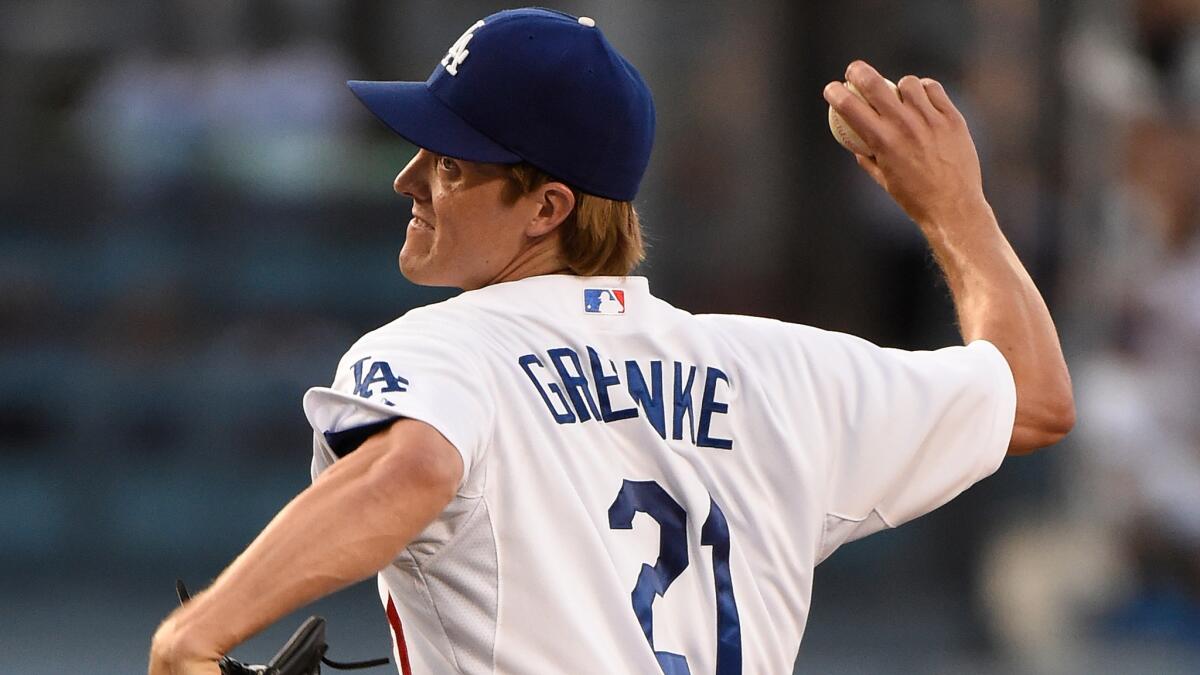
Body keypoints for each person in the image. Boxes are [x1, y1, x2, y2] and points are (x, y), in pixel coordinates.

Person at [149, 7, 1074, 674]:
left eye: (451, 162)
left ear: (547, 207)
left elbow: (417, 466)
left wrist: (197, 632)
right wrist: (956, 208)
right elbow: (1032, 397)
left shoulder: (447, 350)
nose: (409, 178)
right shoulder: (782, 371)